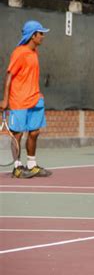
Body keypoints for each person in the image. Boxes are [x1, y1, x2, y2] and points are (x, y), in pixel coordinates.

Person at [0, 20, 52, 178]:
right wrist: (5, 100)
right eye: (40, 33)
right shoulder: (19, 53)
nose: (43, 36)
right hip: (19, 101)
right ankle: (17, 167)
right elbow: (9, 76)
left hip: (35, 99)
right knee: (17, 134)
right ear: (33, 35)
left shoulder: (34, 52)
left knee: (35, 132)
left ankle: (32, 165)